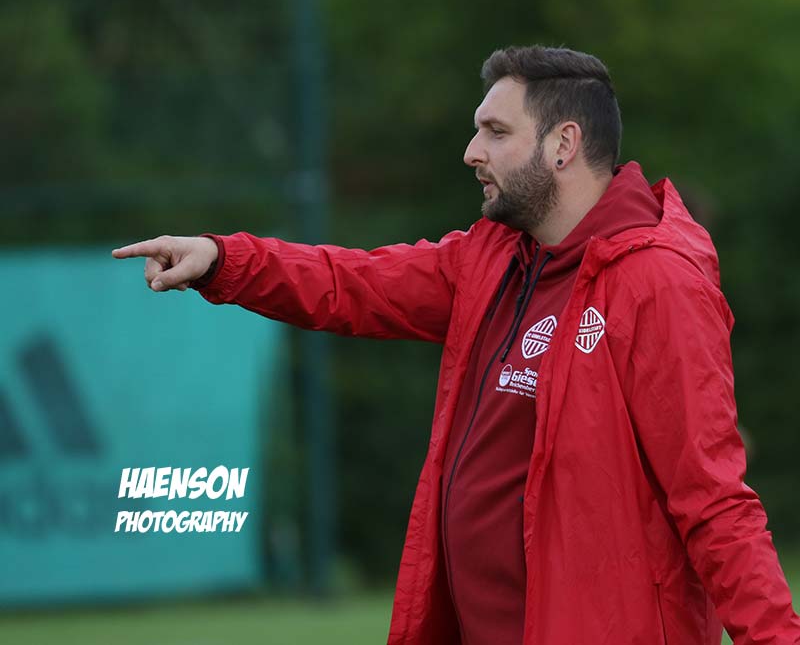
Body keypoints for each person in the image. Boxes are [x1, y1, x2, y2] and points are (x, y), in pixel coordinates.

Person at [112, 45, 800, 644]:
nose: (472, 152)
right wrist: (225, 260)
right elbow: (355, 283)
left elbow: (713, 501)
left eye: (496, 131)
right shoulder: (493, 257)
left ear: (562, 144)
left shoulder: (656, 281)